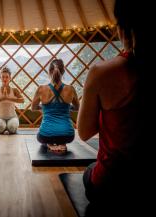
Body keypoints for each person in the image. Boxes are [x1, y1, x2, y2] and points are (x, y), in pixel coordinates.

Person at [78, 0, 151, 215]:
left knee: (89, 171)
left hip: (112, 185)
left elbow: (84, 132)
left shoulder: (102, 72)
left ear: (123, 29)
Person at [32, 59, 79, 154]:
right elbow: (78, 108)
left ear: (49, 72)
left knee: (39, 137)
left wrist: (44, 108)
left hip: (46, 135)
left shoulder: (41, 89)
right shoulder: (71, 89)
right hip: (68, 135)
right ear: (63, 72)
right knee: (61, 136)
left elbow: (33, 108)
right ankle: (62, 144)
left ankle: (50, 144)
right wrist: (66, 108)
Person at [0, 67, 24, 134]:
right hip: (0, 117)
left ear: (10, 78)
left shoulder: (14, 90)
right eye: (3, 77)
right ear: (0, 78)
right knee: (0, 128)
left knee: (12, 128)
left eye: (7, 77)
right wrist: (2, 99)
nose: (5, 79)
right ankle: (4, 127)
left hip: (12, 117)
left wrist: (8, 98)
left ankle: (9, 126)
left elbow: (22, 100)